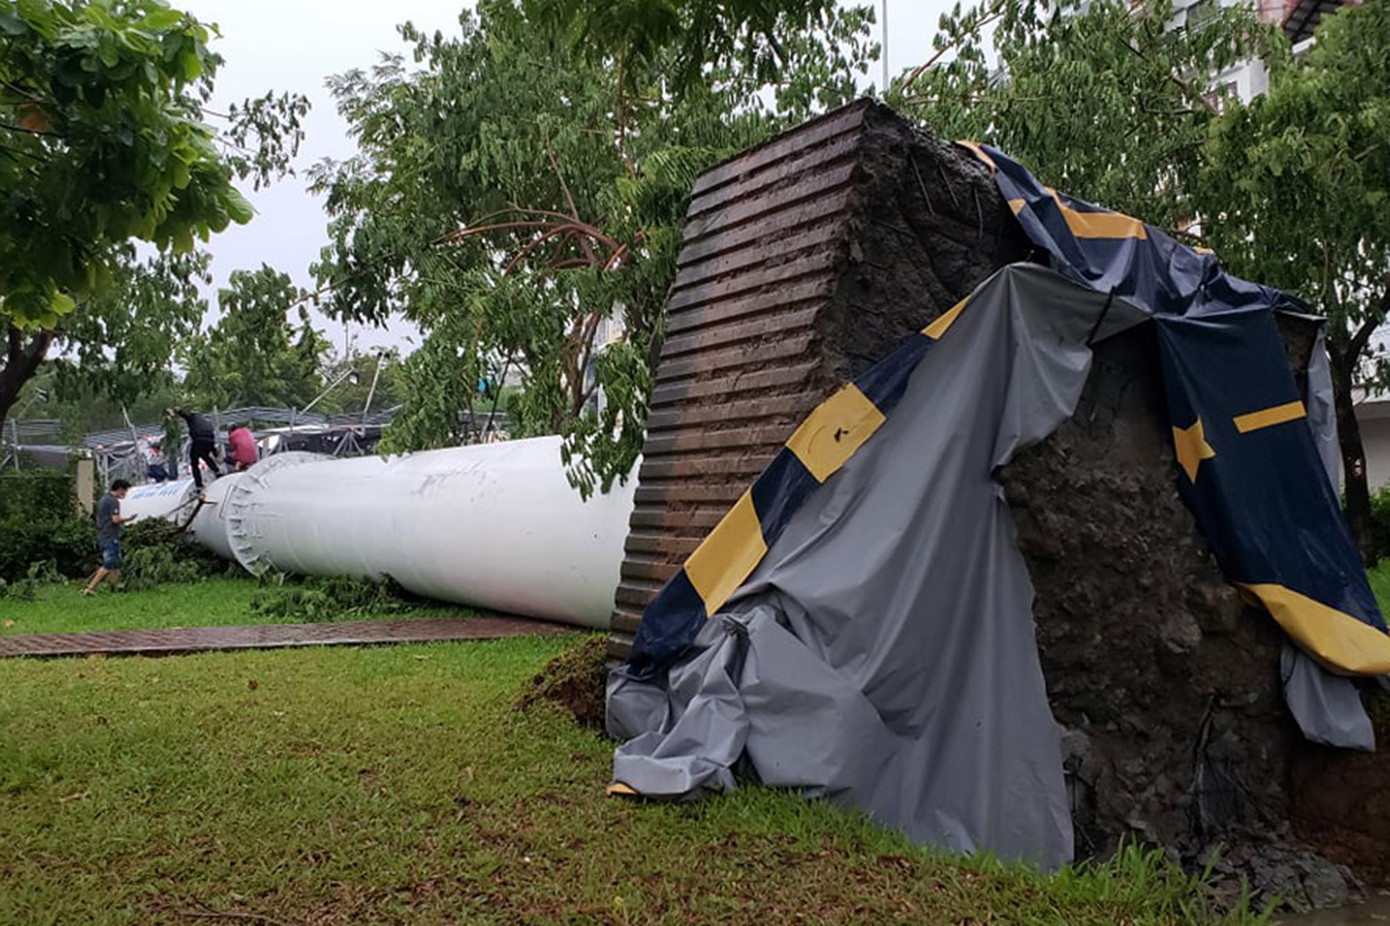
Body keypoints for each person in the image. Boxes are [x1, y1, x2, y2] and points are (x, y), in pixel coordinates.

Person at [83, 479, 137, 596]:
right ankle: (90, 587)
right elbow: (115, 519)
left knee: (115, 563)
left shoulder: (102, 500)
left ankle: (115, 587)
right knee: (109, 562)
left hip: (103, 534)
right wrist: (129, 519)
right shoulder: (113, 501)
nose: (125, 494)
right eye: (125, 491)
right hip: (110, 535)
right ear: (119, 489)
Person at [168, 406, 220, 490]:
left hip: (198, 440)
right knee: (205, 456)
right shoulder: (206, 422)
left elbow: (185, 415)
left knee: (194, 463)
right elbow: (212, 437)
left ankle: (199, 484)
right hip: (209, 441)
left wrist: (178, 410)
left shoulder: (193, 418)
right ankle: (217, 471)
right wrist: (215, 453)